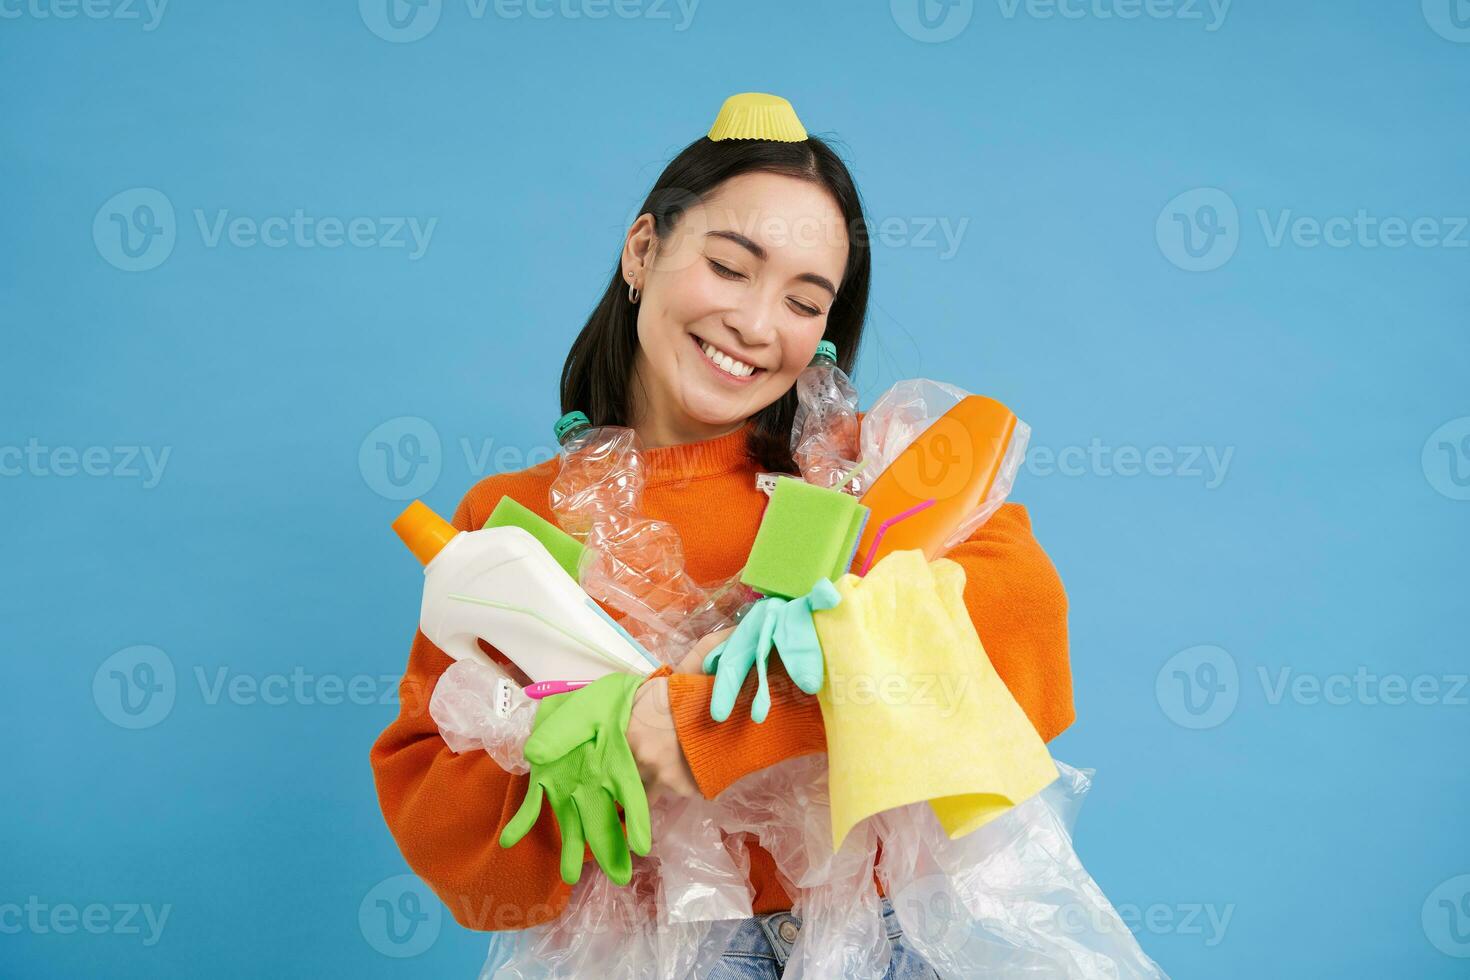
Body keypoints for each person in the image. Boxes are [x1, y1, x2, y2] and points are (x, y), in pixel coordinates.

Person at [370, 94, 1075, 979]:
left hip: (879, 947)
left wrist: (704, 724)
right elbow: (449, 840)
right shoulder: (520, 527)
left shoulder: (866, 480)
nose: (756, 324)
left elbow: (1021, 632)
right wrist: (597, 761)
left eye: (805, 300)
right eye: (732, 266)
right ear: (643, 250)